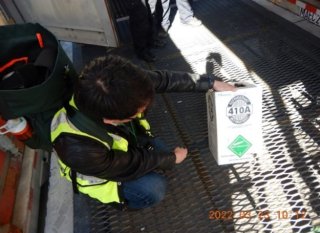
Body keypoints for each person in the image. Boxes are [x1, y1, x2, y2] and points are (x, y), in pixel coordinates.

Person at [50, 55, 235, 210]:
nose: (143, 110)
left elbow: (163, 80)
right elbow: (126, 165)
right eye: (136, 113)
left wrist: (210, 83)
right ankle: (125, 203)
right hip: (105, 173)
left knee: (160, 153)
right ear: (110, 120)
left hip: (122, 143)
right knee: (154, 188)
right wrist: (170, 159)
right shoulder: (77, 147)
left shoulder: (116, 82)